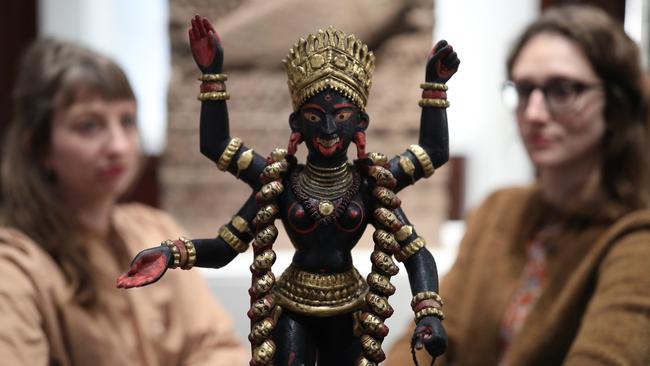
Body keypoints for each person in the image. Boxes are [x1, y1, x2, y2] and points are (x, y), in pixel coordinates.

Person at [117, 15, 460, 365]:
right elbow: (223, 227)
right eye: (314, 117)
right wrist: (170, 254)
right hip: (293, 307)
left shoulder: (373, 182)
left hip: (350, 306)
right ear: (296, 124)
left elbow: (419, 236)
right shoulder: (279, 181)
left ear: (361, 123)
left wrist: (428, 311)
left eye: (341, 117)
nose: (327, 129)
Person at [385, 5, 650, 366]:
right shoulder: (498, 210)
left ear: (616, 104)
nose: (535, 113)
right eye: (524, 90)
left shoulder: (637, 237)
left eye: (563, 89)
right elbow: (435, 332)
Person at [0, 39, 247, 366]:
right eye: (89, 125)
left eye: (127, 121)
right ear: (39, 147)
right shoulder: (15, 265)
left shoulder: (155, 229)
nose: (118, 145)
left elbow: (219, 349)